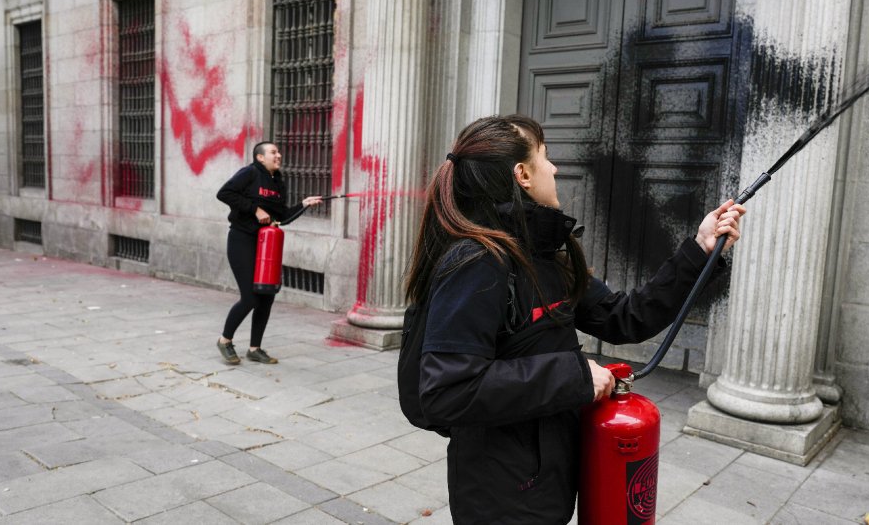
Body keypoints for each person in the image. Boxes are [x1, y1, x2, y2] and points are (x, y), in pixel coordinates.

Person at [405, 114, 746, 525]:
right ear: (522, 174)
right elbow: (447, 390)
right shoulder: (478, 263)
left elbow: (625, 317)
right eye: (545, 157)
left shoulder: (544, 255)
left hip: (547, 479)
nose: (553, 169)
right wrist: (575, 375)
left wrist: (700, 250)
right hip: (499, 497)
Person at [214, 142, 322, 365]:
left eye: (279, 152)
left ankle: (255, 349)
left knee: (266, 296)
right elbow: (224, 193)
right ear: (260, 157)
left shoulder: (278, 183)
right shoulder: (250, 173)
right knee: (250, 297)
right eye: (273, 152)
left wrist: (303, 204)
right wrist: (255, 209)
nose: (278, 155)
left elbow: (282, 218)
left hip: (267, 245)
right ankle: (225, 340)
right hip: (242, 240)